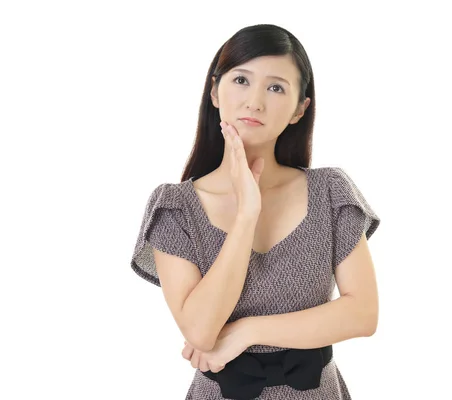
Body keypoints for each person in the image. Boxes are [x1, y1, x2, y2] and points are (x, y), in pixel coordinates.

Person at [130, 23, 381, 400]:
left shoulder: (330, 191)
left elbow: (363, 314)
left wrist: (247, 331)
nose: (255, 102)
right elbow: (200, 331)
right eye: (241, 80)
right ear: (214, 91)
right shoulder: (175, 208)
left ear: (300, 109)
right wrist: (247, 214)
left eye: (276, 87)